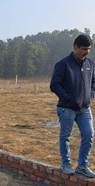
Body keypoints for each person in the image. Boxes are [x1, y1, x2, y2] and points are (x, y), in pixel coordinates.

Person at [50, 34, 95, 178]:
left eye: (89, 49)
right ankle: (66, 164)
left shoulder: (90, 64)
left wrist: (91, 94)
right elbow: (54, 85)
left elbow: (93, 81)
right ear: (75, 47)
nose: (87, 52)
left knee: (89, 134)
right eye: (84, 49)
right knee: (65, 137)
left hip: (84, 109)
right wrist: (68, 99)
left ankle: (82, 166)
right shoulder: (63, 64)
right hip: (67, 108)